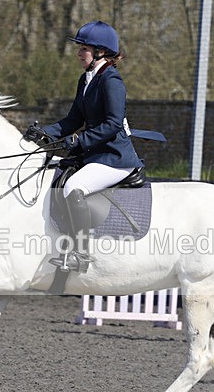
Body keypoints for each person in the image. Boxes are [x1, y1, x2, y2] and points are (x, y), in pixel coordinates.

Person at [23, 20, 144, 273]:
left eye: (84, 49)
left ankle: (81, 252)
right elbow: (73, 120)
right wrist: (45, 132)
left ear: (100, 52)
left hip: (115, 158)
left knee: (73, 186)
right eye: (79, 49)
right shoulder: (87, 79)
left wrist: (79, 141)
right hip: (95, 155)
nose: (79, 54)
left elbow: (112, 125)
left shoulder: (111, 80)